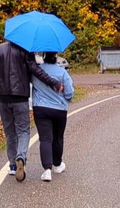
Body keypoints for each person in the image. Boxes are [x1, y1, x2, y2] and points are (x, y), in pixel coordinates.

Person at [0, 41, 62, 182]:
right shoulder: (24, 51)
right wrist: (53, 82)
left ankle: (12, 166)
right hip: (20, 97)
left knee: (10, 132)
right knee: (23, 130)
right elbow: (36, 70)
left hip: (3, 98)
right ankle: (21, 156)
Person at [32, 51, 74, 182]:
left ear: (44, 57)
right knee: (58, 137)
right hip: (59, 109)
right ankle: (57, 164)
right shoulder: (62, 72)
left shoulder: (37, 71)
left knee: (45, 139)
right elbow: (69, 93)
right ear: (56, 58)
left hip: (40, 108)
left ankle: (47, 170)